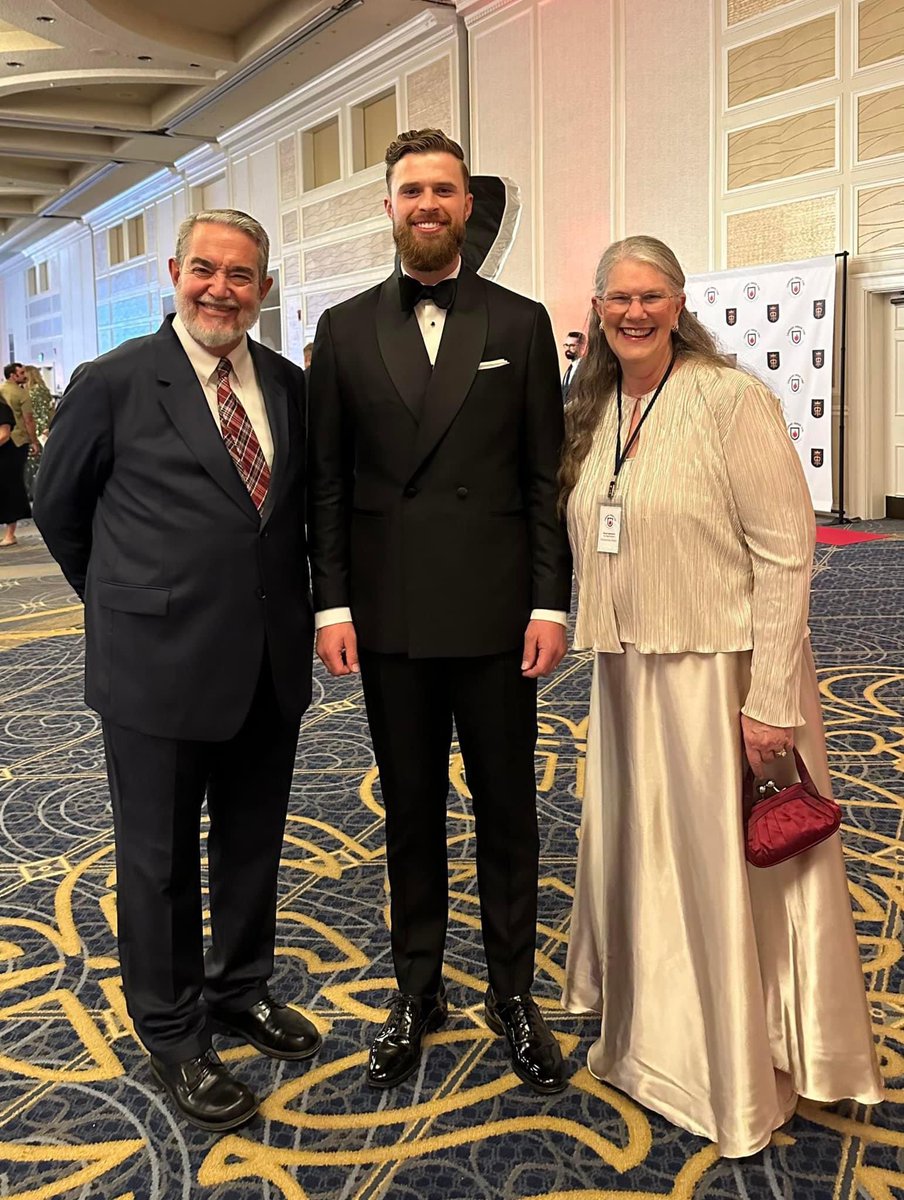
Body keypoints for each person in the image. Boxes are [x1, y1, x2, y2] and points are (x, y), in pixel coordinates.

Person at [559, 235, 883, 1157]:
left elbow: (789, 553)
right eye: (618, 296)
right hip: (629, 673)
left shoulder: (728, 399)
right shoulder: (596, 406)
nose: (634, 312)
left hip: (721, 676)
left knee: (720, 871)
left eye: (651, 296)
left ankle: (737, 1065)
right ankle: (656, 1043)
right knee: (652, 861)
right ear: (597, 303)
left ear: (678, 302)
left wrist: (771, 696)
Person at [34, 208, 318, 1133]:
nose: (220, 290)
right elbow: (58, 509)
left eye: (241, 276)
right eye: (205, 270)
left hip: (267, 661)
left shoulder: (287, 384)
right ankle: (172, 1030)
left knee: (251, 842)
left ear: (263, 290)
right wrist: (121, 598)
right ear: (174, 271)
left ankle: (240, 989)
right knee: (155, 861)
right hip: (154, 666)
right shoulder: (114, 382)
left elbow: (288, 516)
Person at [308, 129, 572, 1094]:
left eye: (444, 190)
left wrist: (554, 602)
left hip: (502, 618)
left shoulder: (521, 323)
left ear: (468, 205)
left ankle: (512, 991)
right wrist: (330, 603)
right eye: (411, 190)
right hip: (390, 619)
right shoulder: (340, 330)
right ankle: (416, 989)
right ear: (388, 206)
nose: (428, 204)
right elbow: (328, 487)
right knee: (410, 813)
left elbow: (545, 478)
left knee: (508, 813)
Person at [0, 363, 36, 545]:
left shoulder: (2, 391)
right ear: (12, 375)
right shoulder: (21, 394)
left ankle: (10, 532)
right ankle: (10, 532)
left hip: (6, 442)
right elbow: (28, 420)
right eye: (21, 373)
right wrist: (34, 441)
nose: (25, 376)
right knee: (13, 484)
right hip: (17, 442)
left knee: (9, 485)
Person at [561, 331, 585, 402]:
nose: (568, 349)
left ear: (582, 347)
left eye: (572, 345)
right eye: (566, 345)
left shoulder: (586, 368)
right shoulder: (569, 369)